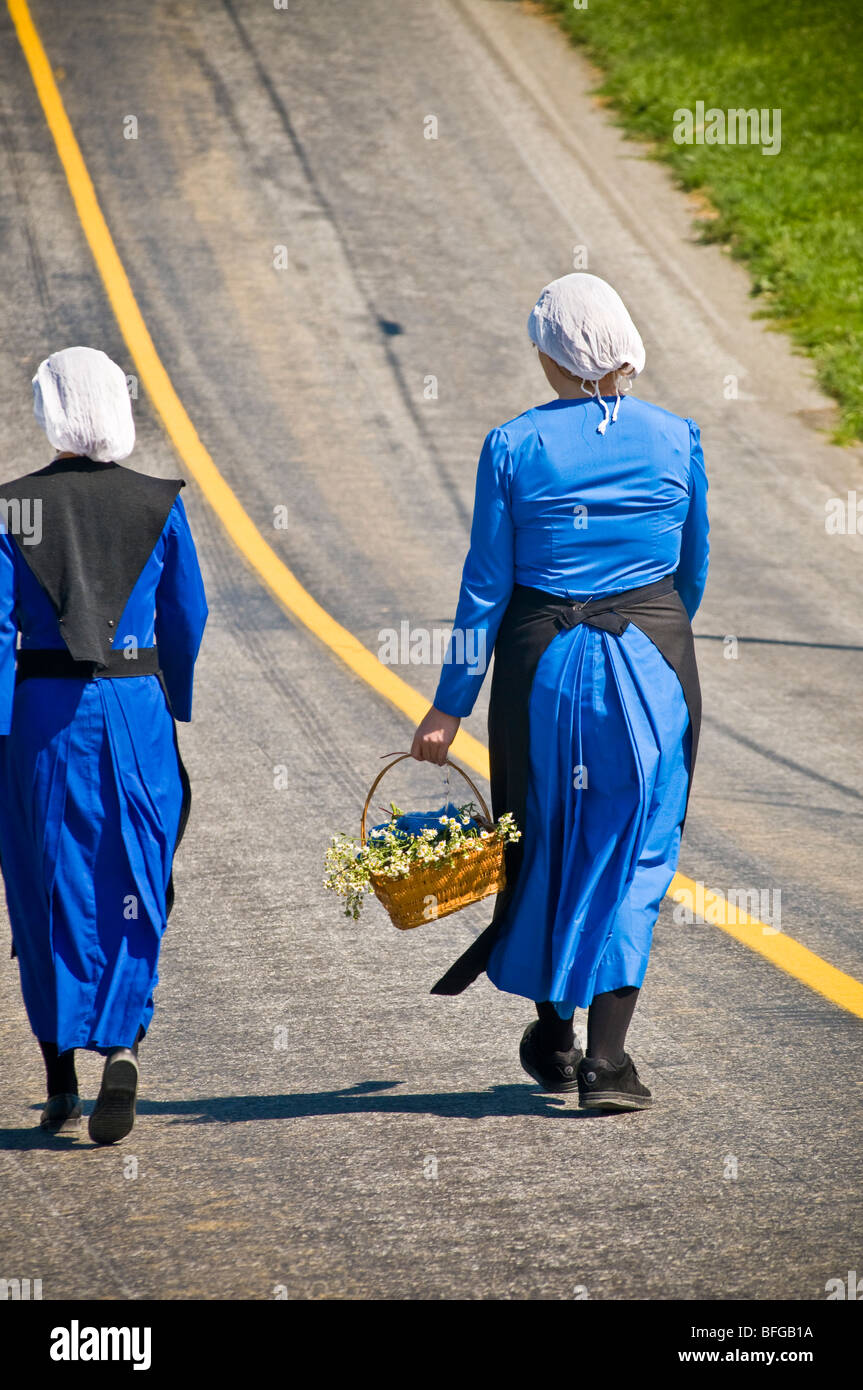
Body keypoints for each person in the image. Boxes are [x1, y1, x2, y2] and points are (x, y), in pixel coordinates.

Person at [411, 273, 708, 1112]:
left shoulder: (512, 445)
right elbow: (691, 567)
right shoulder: (676, 436)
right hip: (655, 654)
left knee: (540, 836)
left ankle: (554, 1031)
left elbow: (485, 588)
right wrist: (657, 628)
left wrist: (449, 705)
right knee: (639, 841)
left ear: (553, 356)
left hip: (541, 659)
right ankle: (607, 1064)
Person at [0, 346, 207, 1143]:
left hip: (41, 717)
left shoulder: (12, 506)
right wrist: (171, 699)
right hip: (133, 708)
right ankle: (121, 1042)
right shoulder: (159, 501)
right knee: (134, 873)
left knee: (44, 884)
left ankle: (60, 1083)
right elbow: (187, 617)